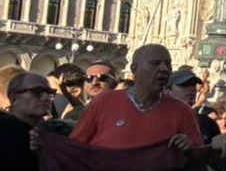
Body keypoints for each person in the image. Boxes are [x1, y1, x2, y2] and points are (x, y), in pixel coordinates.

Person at [71, 45, 201, 151]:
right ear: (134, 69)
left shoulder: (183, 112)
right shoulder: (104, 102)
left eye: (168, 64)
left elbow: (198, 155)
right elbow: (74, 147)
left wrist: (189, 146)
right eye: (155, 63)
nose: (164, 69)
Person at [167, 68, 221, 144]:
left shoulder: (207, 124)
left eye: (193, 85)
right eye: (184, 85)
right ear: (168, 90)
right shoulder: (158, 121)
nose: (191, 89)